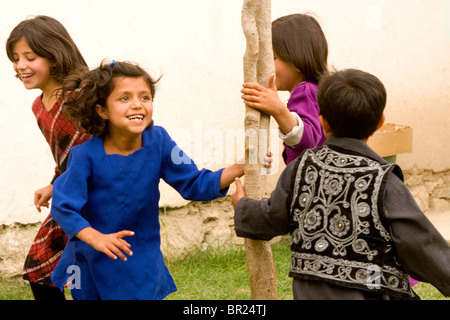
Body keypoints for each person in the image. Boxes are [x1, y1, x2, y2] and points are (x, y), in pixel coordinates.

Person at [49, 60, 269, 300]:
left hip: (142, 259)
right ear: (102, 110)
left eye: (145, 97)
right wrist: (96, 238)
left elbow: (194, 182)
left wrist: (241, 166)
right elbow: (63, 206)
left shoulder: (159, 141)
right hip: (94, 261)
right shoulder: (85, 155)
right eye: (124, 98)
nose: (137, 105)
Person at [232, 69, 450, 300]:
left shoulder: (301, 168)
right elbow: (423, 246)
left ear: (322, 122)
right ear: (380, 123)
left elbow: (271, 218)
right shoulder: (384, 182)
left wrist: (243, 205)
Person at [6, 15, 90, 300]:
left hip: (99, 200)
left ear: (54, 56)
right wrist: (53, 184)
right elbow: (67, 155)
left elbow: (102, 144)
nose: (21, 66)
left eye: (30, 57)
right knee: (40, 269)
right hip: (70, 196)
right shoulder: (39, 107)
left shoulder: (81, 97)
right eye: (16, 58)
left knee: (90, 279)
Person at [240, 13, 327, 165]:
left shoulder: (305, 91)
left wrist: (278, 110)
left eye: (272, 58)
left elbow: (307, 142)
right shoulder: (318, 91)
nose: (266, 66)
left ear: (296, 59)